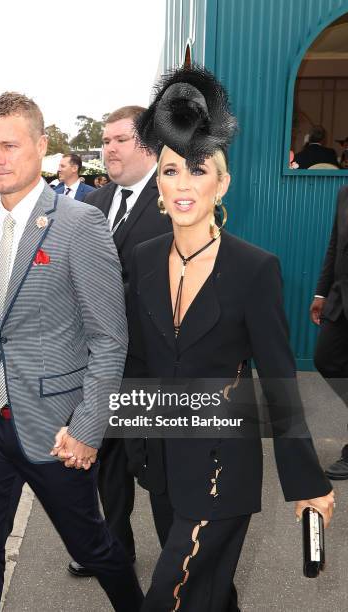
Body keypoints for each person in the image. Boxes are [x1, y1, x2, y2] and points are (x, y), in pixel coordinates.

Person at [126, 65, 334, 611]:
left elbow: (279, 377)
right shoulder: (144, 259)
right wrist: (131, 443)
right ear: (159, 184)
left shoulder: (253, 268)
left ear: (222, 182)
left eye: (199, 170)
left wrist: (305, 480)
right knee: (210, 595)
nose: (184, 184)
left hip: (221, 468)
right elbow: (140, 359)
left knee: (167, 594)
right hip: (163, 464)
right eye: (171, 171)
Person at [0, 91, 143, 612]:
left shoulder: (79, 224)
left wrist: (87, 427)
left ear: (42, 146)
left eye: (10, 145)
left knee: (92, 546)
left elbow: (108, 336)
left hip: (56, 427)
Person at [65, 106, 172, 579]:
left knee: (161, 472)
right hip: (100, 364)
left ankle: (179, 563)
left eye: (119, 139)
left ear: (148, 143)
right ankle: (116, 548)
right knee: (104, 462)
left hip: (153, 366)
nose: (108, 148)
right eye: (105, 140)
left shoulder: (175, 196)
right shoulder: (93, 203)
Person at [310, 184, 348, 480]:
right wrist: (322, 292)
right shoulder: (345, 192)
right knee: (326, 359)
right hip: (340, 296)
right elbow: (336, 244)